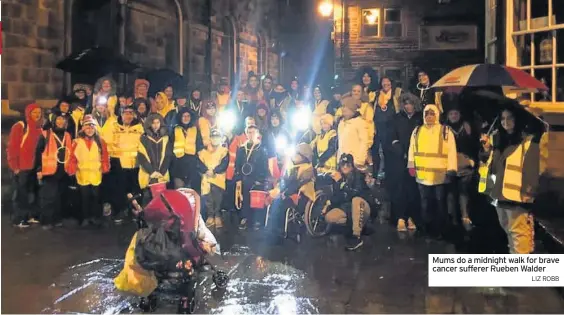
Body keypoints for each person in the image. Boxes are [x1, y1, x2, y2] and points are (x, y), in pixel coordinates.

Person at [479, 108, 541, 254]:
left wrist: (528, 193)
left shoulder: (527, 141)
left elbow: (532, 169)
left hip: (518, 196)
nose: (506, 122)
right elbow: (492, 167)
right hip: (499, 194)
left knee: (519, 234)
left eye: (510, 118)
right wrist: (487, 150)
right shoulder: (499, 139)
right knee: (509, 231)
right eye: (503, 119)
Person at [407, 104, 457, 239]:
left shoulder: (445, 131)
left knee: (440, 203)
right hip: (422, 176)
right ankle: (427, 229)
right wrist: (411, 166)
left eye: (432, 114)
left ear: (437, 115)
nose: (429, 117)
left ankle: (441, 230)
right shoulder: (417, 131)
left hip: (440, 176)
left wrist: (451, 169)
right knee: (425, 203)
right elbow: (412, 149)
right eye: (427, 114)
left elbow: (452, 151)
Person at [66, 115, 110, 227]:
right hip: (82, 173)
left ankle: (95, 217)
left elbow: (105, 156)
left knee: (96, 197)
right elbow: (72, 157)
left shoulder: (101, 141)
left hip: (96, 173)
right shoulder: (77, 142)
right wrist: (71, 168)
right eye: (87, 127)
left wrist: (105, 166)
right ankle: (85, 218)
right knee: (84, 197)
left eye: (92, 128)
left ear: (95, 129)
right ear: (83, 129)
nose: (90, 130)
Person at [323, 154, 372, 251]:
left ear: (352, 166)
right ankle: (350, 227)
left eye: (348, 164)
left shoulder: (358, 176)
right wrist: (328, 204)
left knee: (356, 200)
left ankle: (356, 236)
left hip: (362, 208)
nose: (345, 167)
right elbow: (337, 198)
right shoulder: (338, 178)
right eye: (343, 164)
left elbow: (356, 193)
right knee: (329, 217)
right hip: (348, 209)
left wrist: (342, 183)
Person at [8, 104, 44, 227]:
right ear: (28, 113)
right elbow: (13, 147)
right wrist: (15, 166)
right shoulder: (20, 126)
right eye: (34, 112)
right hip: (22, 167)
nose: (37, 115)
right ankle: (19, 219)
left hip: (34, 167)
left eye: (39, 112)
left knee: (32, 193)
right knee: (21, 194)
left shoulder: (40, 128)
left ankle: (30, 216)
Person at [35, 112, 73, 229]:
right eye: (58, 120)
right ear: (54, 121)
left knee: (59, 197)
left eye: (63, 120)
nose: (61, 122)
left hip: (63, 171)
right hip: (49, 171)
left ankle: (57, 219)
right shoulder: (45, 134)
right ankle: (46, 221)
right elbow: (37, 153)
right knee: (48, 197)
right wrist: (39, 170)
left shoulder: (67, 135)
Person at [268, 143, 316, 233]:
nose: (293, 156)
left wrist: (284, 193)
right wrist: (280, 190)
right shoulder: (292, 167)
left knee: (281, 204)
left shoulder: (308, 169)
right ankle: (273, 229)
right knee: (275, 201)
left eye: (296, 154)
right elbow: (285, 181)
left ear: (303, 157)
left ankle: (279, 230)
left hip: (302, 196)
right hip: (290, 192)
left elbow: (297, 184)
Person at [390, 94, 422, 231]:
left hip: (416, 159)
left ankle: (411, 217)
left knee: (413, 189)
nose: (408, 106)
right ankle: (400, 217)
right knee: (399, 189)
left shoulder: (420, 119)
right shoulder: (397, 119)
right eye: (406, 104)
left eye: (411, 104)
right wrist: (400, 151)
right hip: (399, 160)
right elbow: (392, 137)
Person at [108, 105, 144, 223]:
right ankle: (121, 212)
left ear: (134, 115)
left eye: (130, 113)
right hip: (119, 164)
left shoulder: (139, 128)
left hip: (135, 164)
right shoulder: (114, 127)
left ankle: (135, 211)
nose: (128, 115)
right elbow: (109, 144)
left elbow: (143, 145)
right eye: (125, 113)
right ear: (121, 115)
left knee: (135, 189)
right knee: (120, 190)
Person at [446, 104, 478, 232]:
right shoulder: (445, 129)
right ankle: (452, 219)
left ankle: (465, 217)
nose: (454, 116)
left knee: (464, 193)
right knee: (451, 193)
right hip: (450, 165)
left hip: (465, 165)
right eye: (451, 114)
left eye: (456, 114)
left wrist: (472, 161)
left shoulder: (466, 127)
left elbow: (473, 145)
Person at [234, 124, 271, 230]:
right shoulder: (242, 149)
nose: (251, 135)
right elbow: (238, 165)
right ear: (246, 134)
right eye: (249, 132)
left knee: (257, 200)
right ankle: (245, 218)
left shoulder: (261, 149)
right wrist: (238, 179)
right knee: (244, 199)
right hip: (245, 179)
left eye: (253, 132)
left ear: (257, 134)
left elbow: (264, 166)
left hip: (257, 179)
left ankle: (257, 220)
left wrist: (260, 180)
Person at [137, 113, 173, 205]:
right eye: (153, 123)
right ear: (149, 124)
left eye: (158, 122)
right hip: (148, 174)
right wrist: (152, 172)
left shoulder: (165, 138)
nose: (156, 125)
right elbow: (141, 156)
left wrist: (161, 172)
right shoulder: (143, 139)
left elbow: (168, 156)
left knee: (162, 199)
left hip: (162, 174)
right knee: (147, 198)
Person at [197, 129, 229, 228]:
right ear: (210, 138)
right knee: (208, 198)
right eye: (213, 137)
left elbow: (224, 164)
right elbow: (199, 163)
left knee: (218, 198)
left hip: (218, 179)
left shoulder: (224, 151)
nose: (215, 139)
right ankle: (210, 216)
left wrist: (214, 171)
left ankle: (218, 215)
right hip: (206, 179)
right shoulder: (203, 151)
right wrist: (206, 170)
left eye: (217, 137)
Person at [373, 77, 403, 179]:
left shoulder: (397, 93)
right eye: (383, 82)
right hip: (378, 128)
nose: (385, 83)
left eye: (388, 81)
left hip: (392, 128)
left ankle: (390, 175)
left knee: (390, 152)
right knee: (378, 153)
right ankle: (379, 176)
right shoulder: (376, 94)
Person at [170, 107, 204, 192]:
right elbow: (170, 146)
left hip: (191, 165)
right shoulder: (175, 130)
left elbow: (199, 146)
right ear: (180, 118)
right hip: (178, 165)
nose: (186, 118)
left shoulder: (195, 130)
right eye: (183, 116)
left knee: (190, 193)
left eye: (188, 116)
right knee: (179, 192)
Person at [337, 96, 370, 173]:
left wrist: (359, 160)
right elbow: (340, 143)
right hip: (343, 162)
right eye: (342, 106)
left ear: (352, 109)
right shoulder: (341, 123)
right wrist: (339, 159)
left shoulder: (359, 122)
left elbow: (364, 142)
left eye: (346, 107)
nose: (343, 109)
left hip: (355, 162)